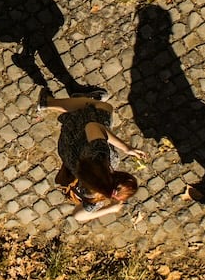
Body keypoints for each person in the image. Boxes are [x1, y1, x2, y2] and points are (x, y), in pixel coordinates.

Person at [41, 89, 145, 222]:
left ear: (118, 174)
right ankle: (78, 100)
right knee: (99, 116)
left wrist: (126, 148)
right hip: (66, 149)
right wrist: (111, 209)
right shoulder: (94, 197)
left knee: (104, 107)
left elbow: (92, 126)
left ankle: (49, 102)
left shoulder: (103, 157)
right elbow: (78, 216)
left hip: (75, 132)